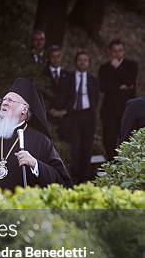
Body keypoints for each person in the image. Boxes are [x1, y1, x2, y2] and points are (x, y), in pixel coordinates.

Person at [0, 78, 72, 190]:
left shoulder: (41, 141)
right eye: (4, 100)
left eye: (10, 100)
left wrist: (35, 164)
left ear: (24, 110)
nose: (4, 103)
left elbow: (62, 181)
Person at [60, 51, 99, 184]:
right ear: (76, 62)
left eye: (85, 60)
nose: (82, 62)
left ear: (89, 63)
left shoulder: (93, 80)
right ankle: (73, 178)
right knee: (74, 147)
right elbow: (63, 95)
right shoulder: (68, 78)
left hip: (88, 116)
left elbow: (96, 98)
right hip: (73, 115)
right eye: (80, 60)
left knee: (87, 148)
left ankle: (85, 179)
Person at [98, 39, 138, 159]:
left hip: (127, 111)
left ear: (124, 51)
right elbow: (103, 87)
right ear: (110, 52)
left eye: (120, 50)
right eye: (114, 51)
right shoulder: (104, 68)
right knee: (109, 141)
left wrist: (118, 67)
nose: (117, 54)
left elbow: (131, 82)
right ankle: (111, 168)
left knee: (127, 141)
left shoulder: (132, 65)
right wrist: (121, 86)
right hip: (109, 111)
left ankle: (125, 170)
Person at [41, 45, 70, 140]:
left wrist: (65, 110)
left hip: (65, 117)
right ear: (49, 58)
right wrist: (50, 110)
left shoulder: (68, 75)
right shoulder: (43, 74)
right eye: (53, 56)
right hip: (48, 116)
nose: (56, 59)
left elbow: (71, 95)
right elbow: (41, 95)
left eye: (58, 56)